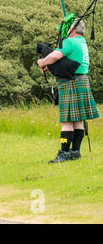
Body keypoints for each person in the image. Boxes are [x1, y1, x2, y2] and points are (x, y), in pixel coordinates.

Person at [37, 19, 99, 163]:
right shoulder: (82, 43)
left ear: (72, 30)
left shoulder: (70, 42)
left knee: (66, 121)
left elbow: (55, 56)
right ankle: (75, 152)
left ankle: (64, 153)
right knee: (77, 120)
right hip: (81, 81)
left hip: (70, 83)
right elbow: (64, 61)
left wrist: (43, 62)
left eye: (69, 28)